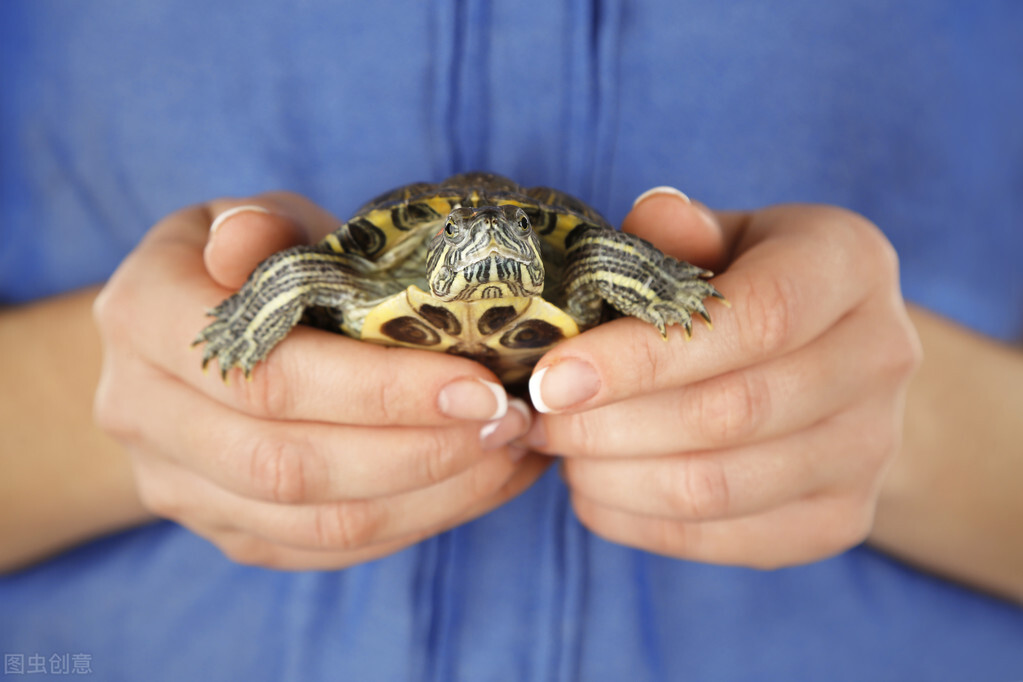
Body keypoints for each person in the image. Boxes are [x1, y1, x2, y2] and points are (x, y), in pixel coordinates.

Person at [2, 1, 1022, 679]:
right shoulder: (365, 276)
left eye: (502, 233)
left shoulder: (578, 271)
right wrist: (154, 400)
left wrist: (872, 409)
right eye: (465, 235)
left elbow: (662, 291)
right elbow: (296, 282)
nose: (486, 239)